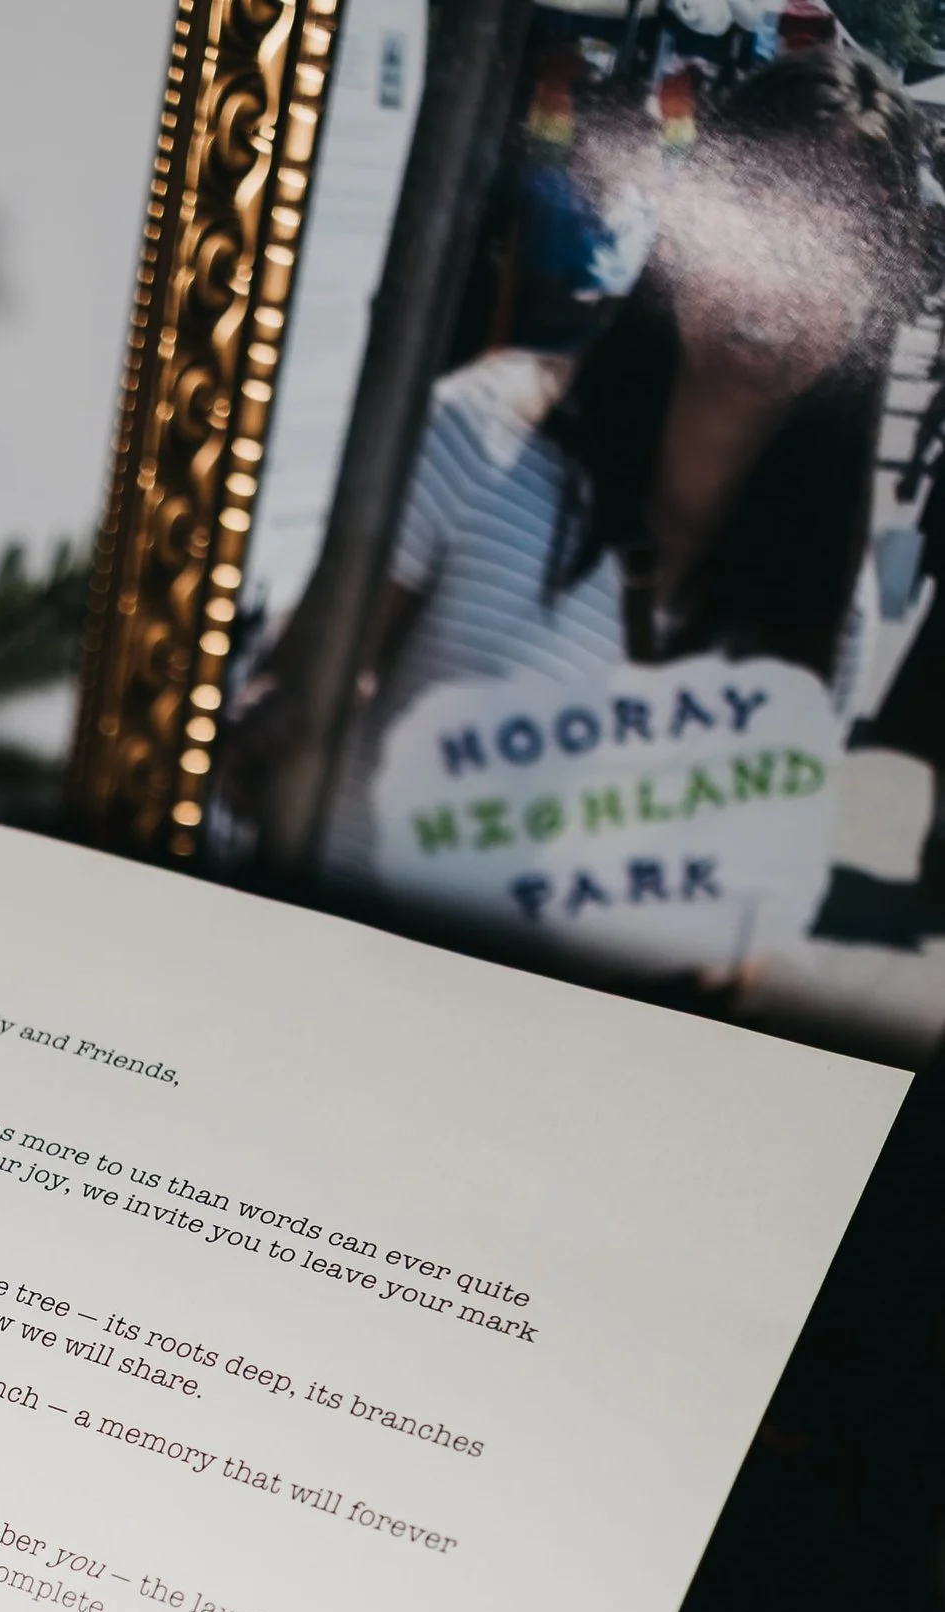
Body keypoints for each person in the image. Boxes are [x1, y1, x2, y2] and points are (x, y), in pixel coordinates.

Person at [237, 47, 935, 981]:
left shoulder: (828, 603)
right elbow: (296, 703)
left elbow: (746, 923)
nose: (781, 276)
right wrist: (282, 713)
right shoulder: (485, 436)